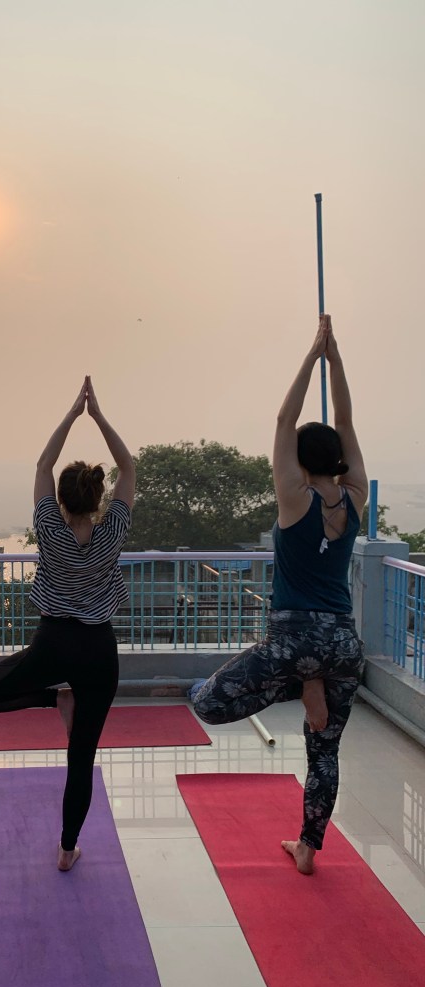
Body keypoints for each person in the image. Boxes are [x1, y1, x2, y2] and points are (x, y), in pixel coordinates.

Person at [191, 314, 367, 874]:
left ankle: (298, 685)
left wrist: (311, 355)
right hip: (343, 641)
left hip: (293, 638)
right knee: (326, 751)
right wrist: (335, 359)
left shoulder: (294, 498)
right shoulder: (355, 498)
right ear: (336, 458)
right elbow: (344, 417)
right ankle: (308, 848)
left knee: (205, 701)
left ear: (300, 458)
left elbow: (283, 416)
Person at [0, 376, 135, 871]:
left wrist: (73, 412)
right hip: (100, 653)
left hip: (54, 644)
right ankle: (68, 849)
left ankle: (52, 697)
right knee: (80, 758)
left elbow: (43, 463)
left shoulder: (49, 528)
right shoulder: (114, 530)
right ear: (98, 500)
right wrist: (98, 416)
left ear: (61, 500)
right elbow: (127, 466)